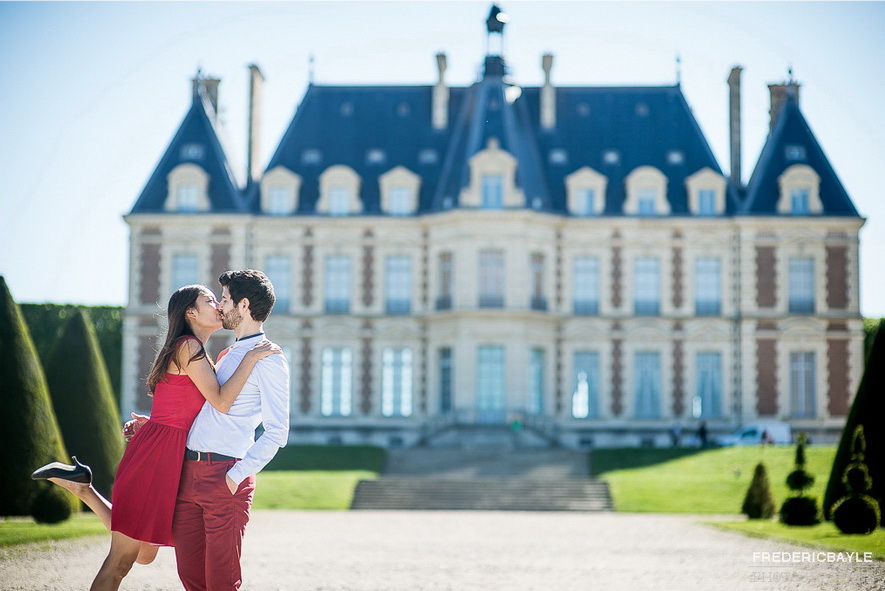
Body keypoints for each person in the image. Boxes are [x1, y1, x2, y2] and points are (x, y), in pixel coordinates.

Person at [32, 284, 280, 591]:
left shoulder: (196, 351)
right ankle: (83, 488)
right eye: (209, 300)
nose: (217, 305)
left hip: (170, 449)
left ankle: (84, 489)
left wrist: (152, 424)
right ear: (191, 312)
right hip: (159, 456)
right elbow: (221, 402)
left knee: (146, 552)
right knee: (121, 559)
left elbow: (189, 410)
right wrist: (252, 358)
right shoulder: (189, 347)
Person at [127, 269, 290, 591]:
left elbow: (277, 432)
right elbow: (206, 410)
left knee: (221, 581)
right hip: (187, 472)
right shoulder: (229, 354)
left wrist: (235, 476)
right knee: (191, 578)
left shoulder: (270, 359)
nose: (220, 306)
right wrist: (156, 426)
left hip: (224, 475)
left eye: (225, 300)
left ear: (243, 306)